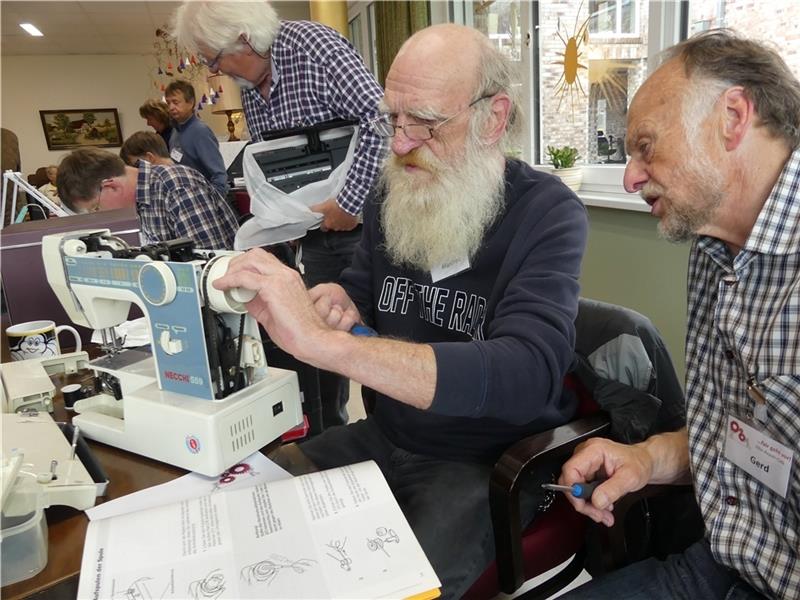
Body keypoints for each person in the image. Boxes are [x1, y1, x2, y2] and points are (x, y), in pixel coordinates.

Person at [212, 24, 588, 598]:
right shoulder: (394, 191)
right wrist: (340, 301)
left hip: (481, 461)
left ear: (493, 118)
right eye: (393, 118)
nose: (401, 143)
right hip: (384, 434)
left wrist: (331, 346)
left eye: (427, 123)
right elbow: (360, 288)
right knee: (246, 517)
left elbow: (528, 373)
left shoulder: (548, 213)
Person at [557, 30, 799, 600]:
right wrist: (644, 458)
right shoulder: (711, 253)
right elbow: (736, 437)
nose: (630, 176)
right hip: (718, 564)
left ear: (733, 117)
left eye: (646, 145)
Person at [172, 0, 385, 428]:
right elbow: (273, 160)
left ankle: (393, 433)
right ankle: (331, 433)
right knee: (321, 337)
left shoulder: (313, 46)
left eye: (216, 59)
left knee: (380, 335)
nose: (219, 71)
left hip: (370, 226)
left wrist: (350, 202)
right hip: (315, 233)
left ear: (244, 39)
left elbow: (382, 121)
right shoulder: (251, 87)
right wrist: (279, 219)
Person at [57, 147, 238, 250]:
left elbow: (211, 263)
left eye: (95, 208)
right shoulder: (143, 198)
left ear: (110, 186)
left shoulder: (176, 186)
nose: (99, 214)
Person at [164, 80, 228, 198]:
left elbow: (219, 176)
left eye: (175, 102)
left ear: (191, 103)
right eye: (168, 103)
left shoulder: (200, 131)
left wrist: (213, 204)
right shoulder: (175, 131)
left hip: (204, 202)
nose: (171, 107)